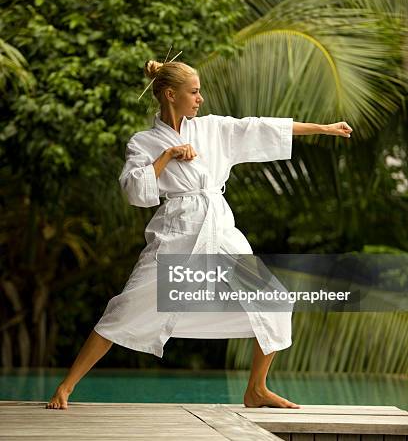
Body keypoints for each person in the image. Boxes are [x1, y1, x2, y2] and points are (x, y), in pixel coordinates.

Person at [46, 58, 353, 410]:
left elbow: (258, 127)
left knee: (273, 300)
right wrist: (167, 156)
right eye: (194, 92)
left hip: (219, 229)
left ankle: (256, 389)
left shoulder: (212, 129)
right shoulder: (143, 142)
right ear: (169, 94)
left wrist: (323, 129)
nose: (200, 99)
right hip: (177, 230)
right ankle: (67, 386)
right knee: (127, 307)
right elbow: (134, 191)